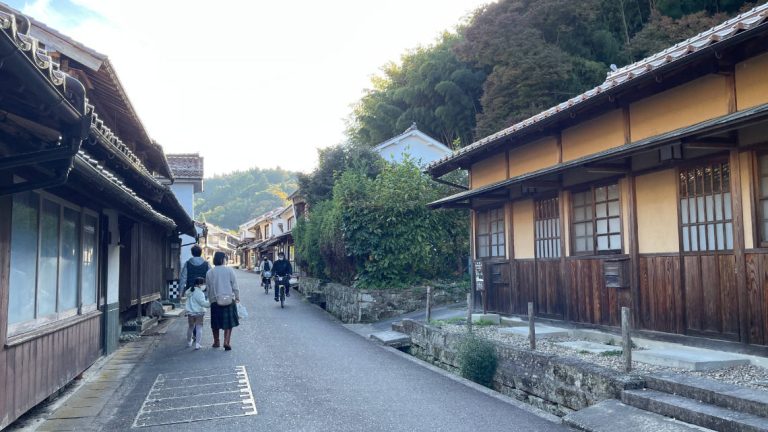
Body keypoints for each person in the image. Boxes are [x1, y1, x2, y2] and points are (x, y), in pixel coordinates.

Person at [206, 251, 240, 350]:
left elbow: (208, 288)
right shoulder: (229, 271)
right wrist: (237, 297)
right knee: (228, 323)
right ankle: (226, 341)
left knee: (215, 322)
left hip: (215, 300)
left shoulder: (209, 272)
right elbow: (235, 286)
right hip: (228, 299)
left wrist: (210, 299)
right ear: (222, 259)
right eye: (225, 258)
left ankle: (216, 341)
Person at [184, 277, 210, 350]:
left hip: (190, 313)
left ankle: (189, 342)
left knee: (190, 327)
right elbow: (203, 303)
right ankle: (197, 344)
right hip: (199, 313)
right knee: (199, 328)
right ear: (199, 284)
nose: (204, 285)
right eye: (203, 284)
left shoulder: (190, 291)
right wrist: (210, 303)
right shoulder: (199, 293)